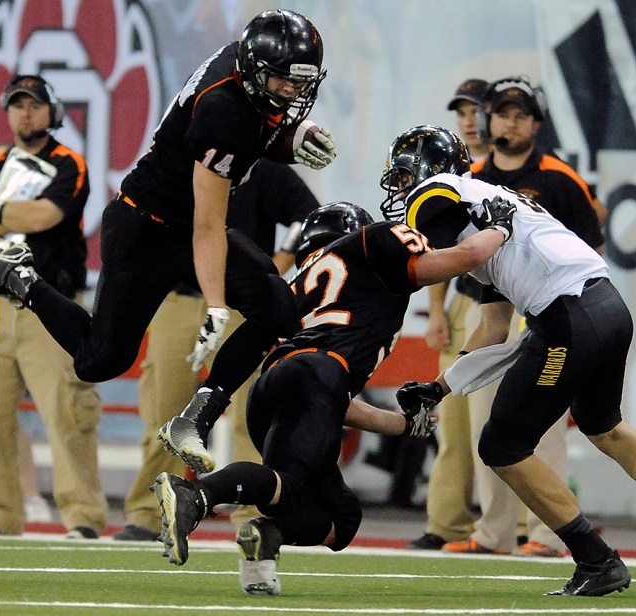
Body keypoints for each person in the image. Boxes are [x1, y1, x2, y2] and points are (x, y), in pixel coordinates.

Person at [0, 9, 336, 478]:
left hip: (183, 222)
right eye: (281, 83)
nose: (291, 94)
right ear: (255, 71)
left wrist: (289, 138)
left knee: (279, 310)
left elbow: (254, 135)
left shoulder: (242, 73)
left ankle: (196, 417)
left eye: (299, 83)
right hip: (145, 227)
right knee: (99, 360)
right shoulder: (224, 109)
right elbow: (209, 224)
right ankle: (19, 277)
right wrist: (215, 304)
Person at [151, 198, 513, 595]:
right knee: (289, 485)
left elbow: (329, 397)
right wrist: (500, 227)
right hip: (318, 376)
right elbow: (464, 257)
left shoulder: (299, 284)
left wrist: (400, 424)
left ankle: (266, 538)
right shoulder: (375, 243)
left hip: (279, 388)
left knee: (341, 518)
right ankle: (195, 495)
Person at [382, 124, 636, 597]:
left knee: (503, 445)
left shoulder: (435, 194)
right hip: (606, 307)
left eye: (403, 176)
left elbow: (449, 261)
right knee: (606, 428)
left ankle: (596, 560)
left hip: (567, 316)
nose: (402, 189)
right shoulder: (484, 205)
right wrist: (439, 386)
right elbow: (494, 330)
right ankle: (595, 560)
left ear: (426, 170)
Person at [437, 76, 604, 557]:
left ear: (535, 123)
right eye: (502, 113)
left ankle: (548, 533)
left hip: (548, 312)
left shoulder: (559, 177)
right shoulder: (471, 178)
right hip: (487, 306)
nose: (508, 122)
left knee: (542, 423)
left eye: (519, 114)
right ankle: (494, 533)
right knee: (484, 419)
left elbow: (591, 252)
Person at [113, 159, 319, 541]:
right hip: (180, 297)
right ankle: (150, 512)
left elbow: (309, 216)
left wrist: (279, 263)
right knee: (165, 411)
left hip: (243, 304)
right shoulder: (183, 165)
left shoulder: (261, 168)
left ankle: (254, 515)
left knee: (249, 412)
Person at [0, 74, 107, 538]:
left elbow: (47, 217)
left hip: (47, 304)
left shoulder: (67, 162)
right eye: (17, 106)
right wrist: (6, 212)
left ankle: (83, 517)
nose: (26, 114)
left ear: (51, 111)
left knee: (66, 410)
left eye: (34, 105)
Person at [410, 78, 490, 549]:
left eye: (477, 111)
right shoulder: (454, 175)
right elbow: (441, 248)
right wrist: (437, 310)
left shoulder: (530, 168)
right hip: (468, 295)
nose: (469, 120)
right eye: (462, 113)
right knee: (454, 418)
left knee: (502, 416)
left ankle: (520, 527)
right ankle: (446, 524)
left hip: (517, 299)